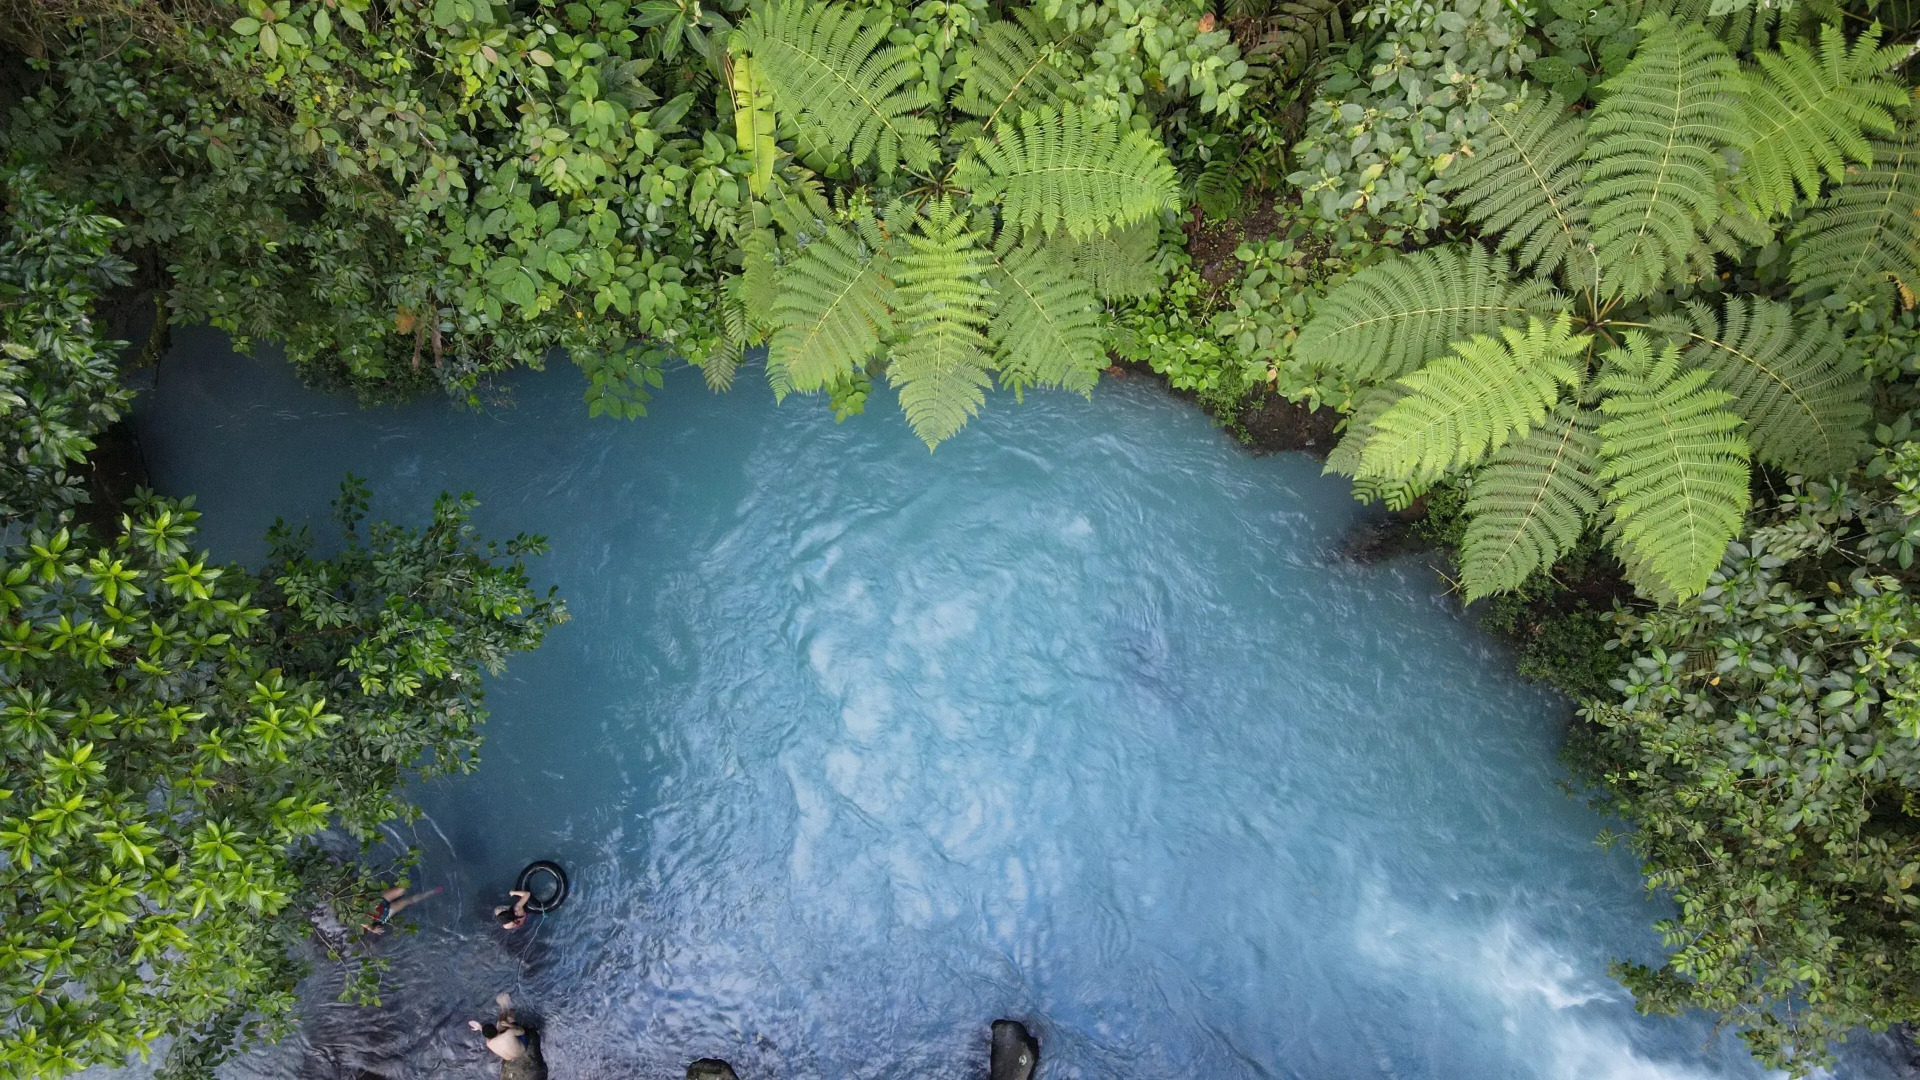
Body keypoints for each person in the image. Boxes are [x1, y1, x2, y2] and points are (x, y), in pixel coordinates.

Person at [362, 884, 441, 935]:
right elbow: (365, 925)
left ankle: (414, 885)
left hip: (378, 900)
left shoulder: (354, 902)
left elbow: (362, 896)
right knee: (407, 901)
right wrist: (373, 929)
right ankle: (431, 892)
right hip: (384, 913)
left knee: (401, 889)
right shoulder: (358, 918)